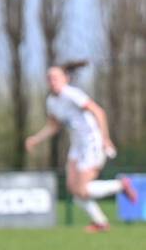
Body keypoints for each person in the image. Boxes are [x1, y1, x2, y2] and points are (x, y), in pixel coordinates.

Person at [25, 61, 136, 232]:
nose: (52, 81)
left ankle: (120, 186)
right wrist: (36, 139)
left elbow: (98, 111)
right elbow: (54, 126)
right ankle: (100, 222)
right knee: (73, 189)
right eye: (49, 78)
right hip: (76, 145)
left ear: (65, 79)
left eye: (55, 77)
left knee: (82, 190)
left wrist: (105, 139)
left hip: (91, 142)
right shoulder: (51, 102)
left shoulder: (72, 94)